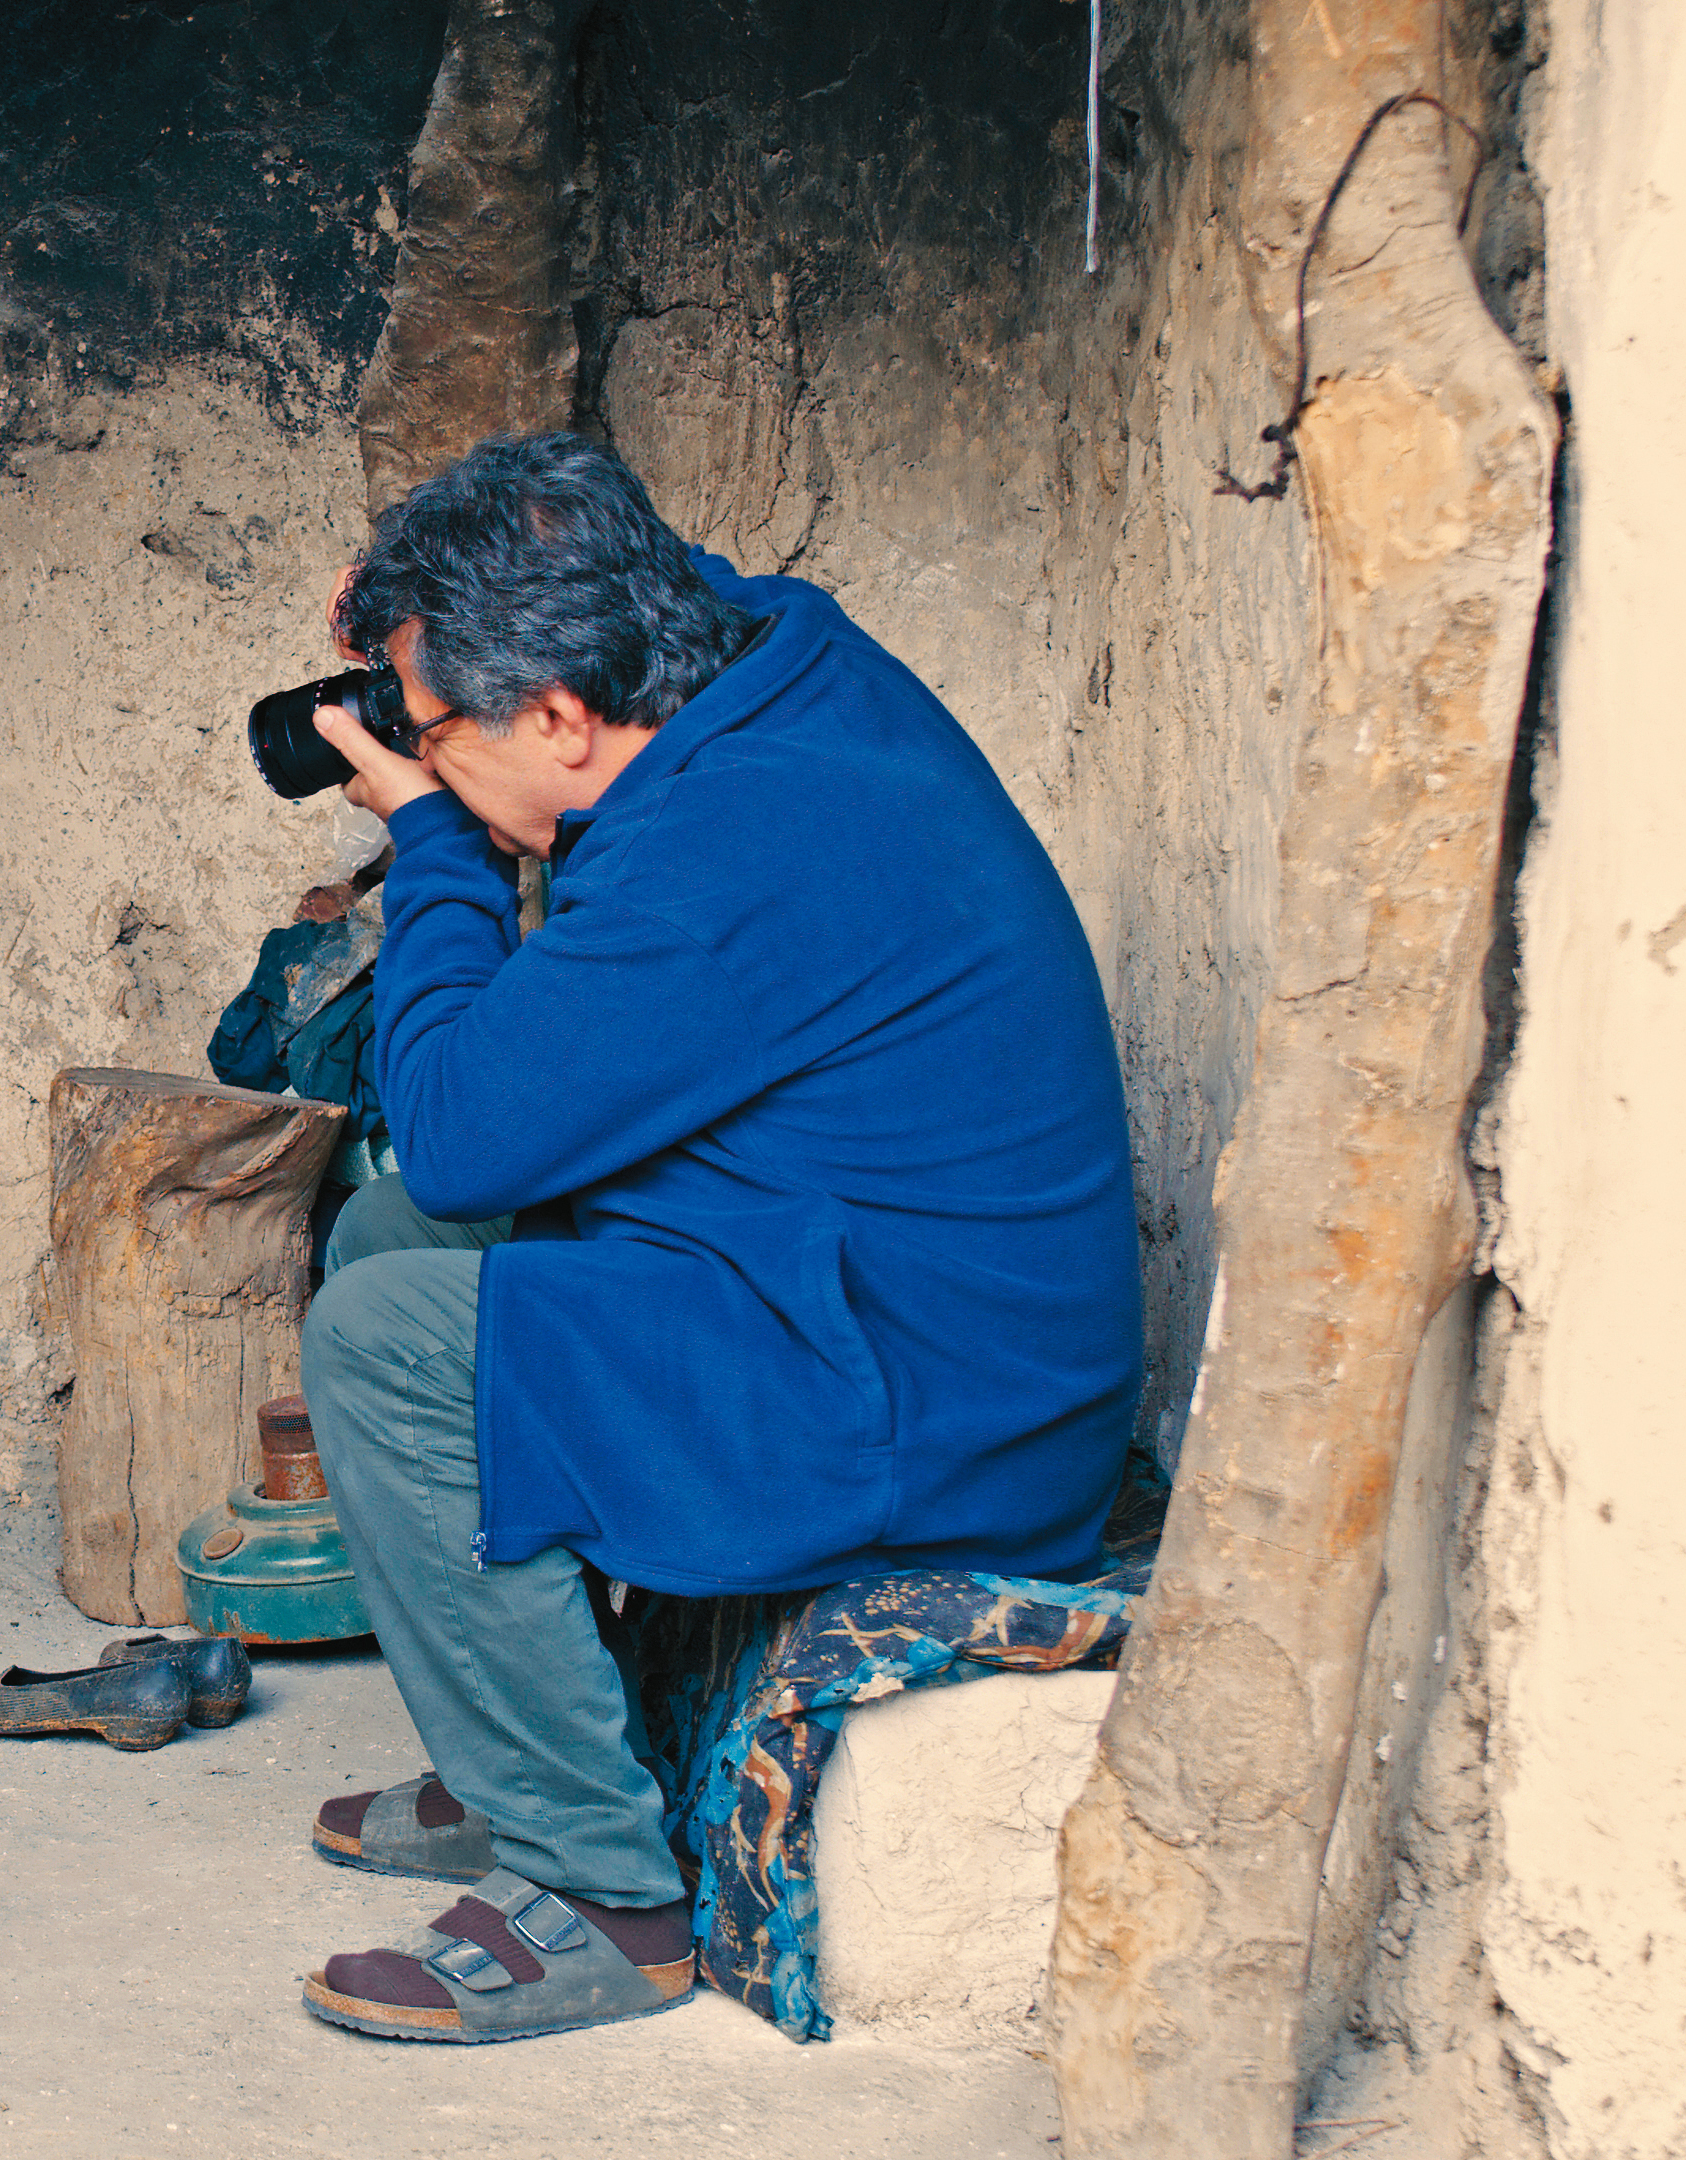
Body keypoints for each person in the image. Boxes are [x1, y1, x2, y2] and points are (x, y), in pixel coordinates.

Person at [281, 433, 1143, 2044]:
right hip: (861, 1273)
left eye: (436, 722)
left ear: (559, 715)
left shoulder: (725, 849)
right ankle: (533, 1739)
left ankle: (602, 1896)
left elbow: (465, 1135)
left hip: (933, 1403)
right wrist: (410, 593)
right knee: (383, 1235)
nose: (417, 747)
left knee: (388, 1337)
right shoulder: (768, 658)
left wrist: (439, 846)